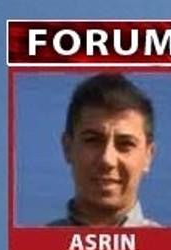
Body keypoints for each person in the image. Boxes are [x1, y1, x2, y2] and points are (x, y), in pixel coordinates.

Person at [48, 73, 161, 227]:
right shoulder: (31, 249)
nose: (107, 159)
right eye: (93, 140)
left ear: (148, 156)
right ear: (68, 148)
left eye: (125, 144)